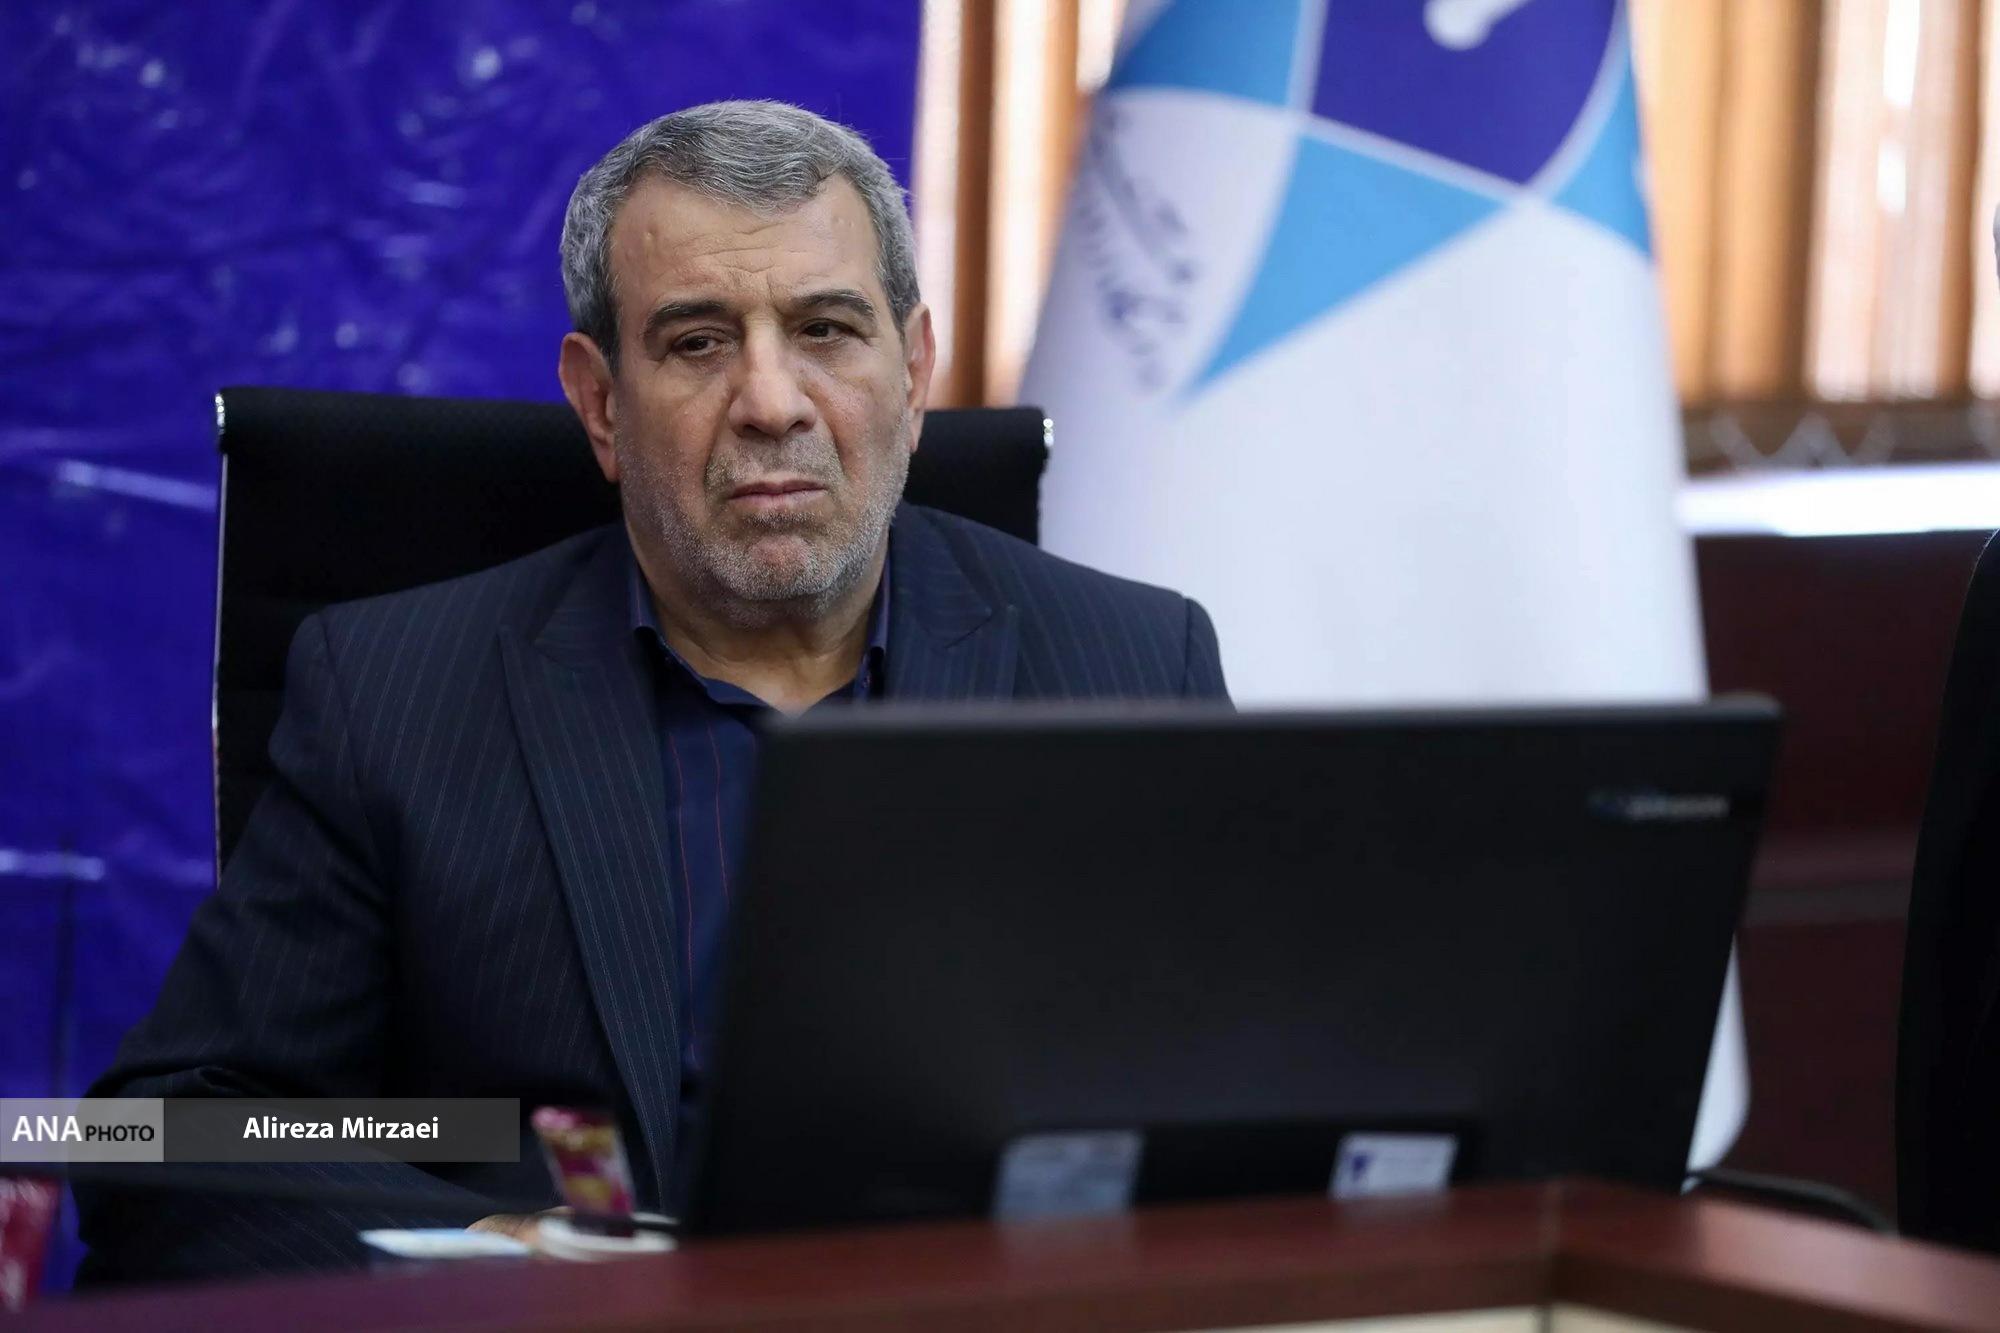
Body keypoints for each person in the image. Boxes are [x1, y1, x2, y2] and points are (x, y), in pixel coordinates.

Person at [77, 100, 1228, 1282]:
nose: (771, 402)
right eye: (697, 342)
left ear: (914, 371)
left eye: (825, 330)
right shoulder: (392, 697)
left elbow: (1252, 1101)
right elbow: (156, 1131)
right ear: (600, 404)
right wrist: (481, 1242)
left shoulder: (1134, 666)